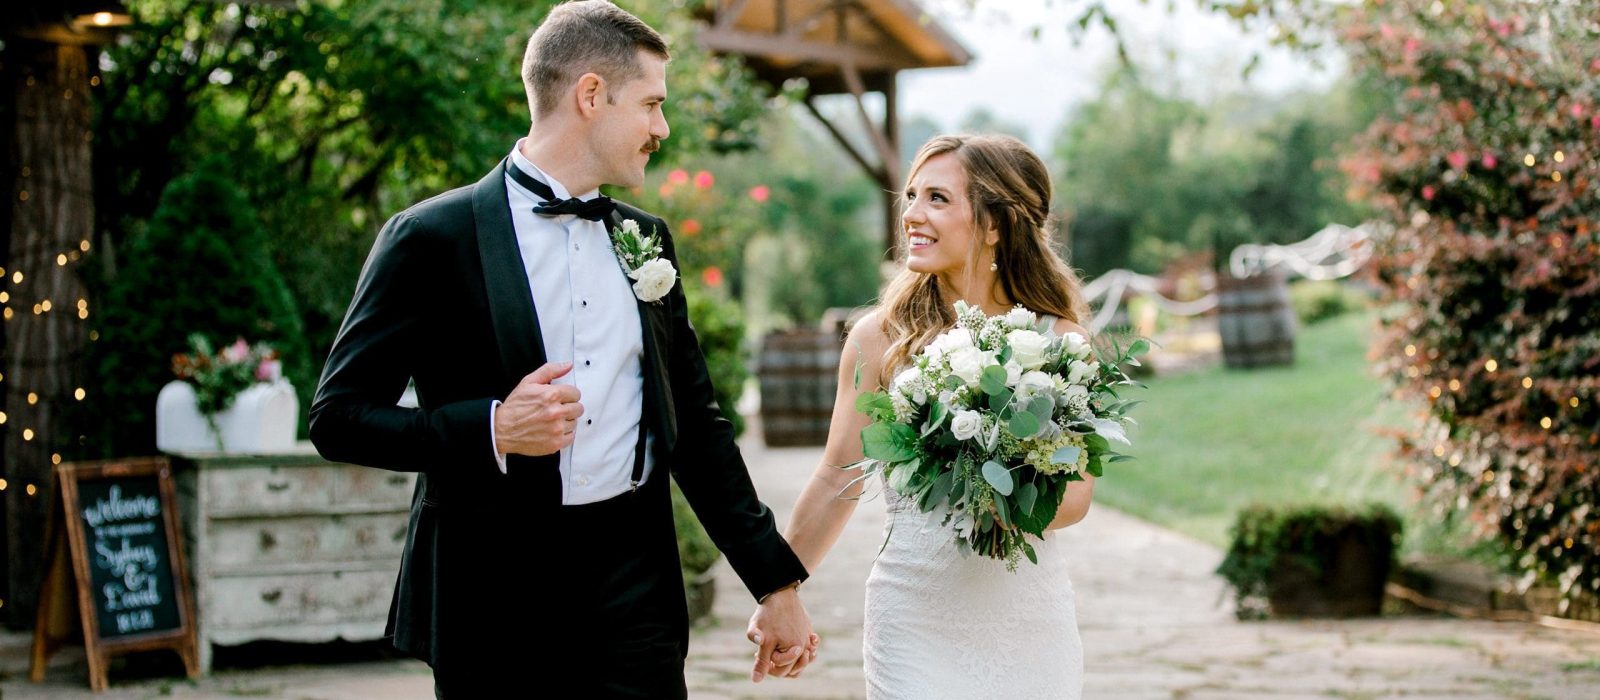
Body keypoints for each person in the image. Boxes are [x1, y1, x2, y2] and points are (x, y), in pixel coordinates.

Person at [309, 2, 814, 696]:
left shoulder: (647, 242)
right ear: (591, 95)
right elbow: (337, 417)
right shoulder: (431, 239)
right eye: (652, 104)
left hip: (635, 591)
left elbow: (694, 424)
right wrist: (491, 428)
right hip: (492, 595)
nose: (661, 129)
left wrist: (774, 580)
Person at [753, 134, 1095, 697]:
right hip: (913, 619)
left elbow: (1077, 496)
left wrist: (1002, 492)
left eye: (937, 198)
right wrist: (778, 590)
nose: (911, 214)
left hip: (1028, 624)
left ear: (995, 224)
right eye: (911, 196)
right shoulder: (879, 340)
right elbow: (838, 475)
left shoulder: (1058, 342)